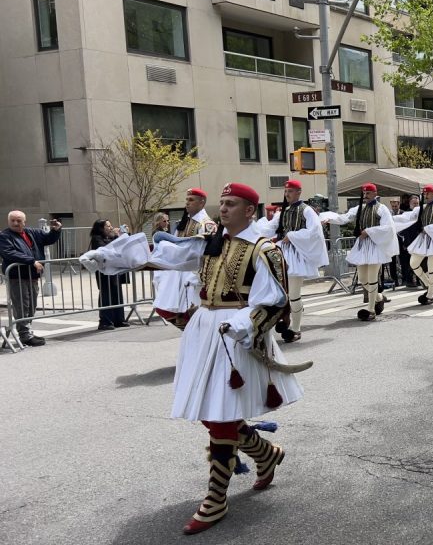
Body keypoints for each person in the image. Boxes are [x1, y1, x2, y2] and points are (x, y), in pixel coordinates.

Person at [79, 183, 309, 535]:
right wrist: (110, 256)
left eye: (231, 204)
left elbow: (274, 301)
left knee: (219, 415)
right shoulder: (210, 242)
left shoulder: (265, 250)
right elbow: (163, 256)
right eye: (222, 203)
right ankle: (264, 453)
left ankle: (217, 496)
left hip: (235, 336)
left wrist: (244, 324)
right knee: (212, 411)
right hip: (204, 330)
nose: (224, 208)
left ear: (250, 210)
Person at [256, 180, 328, 343]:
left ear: (299, 192)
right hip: (282, 254)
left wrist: (293, 236)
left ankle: (296, 328)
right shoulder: (283, 211)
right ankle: (286, 320)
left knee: (294, 294)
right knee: (282, 294)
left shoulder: (307, 210)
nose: (287, 194)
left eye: (290, 191)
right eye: (286, 191)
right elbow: (269, 228)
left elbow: (315, 231)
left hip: (296, 256)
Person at [320, 183, 399, 321]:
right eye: (364, 193)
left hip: (375, 246)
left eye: (368, 193)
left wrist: (368, 232)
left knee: (372, 277)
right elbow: (345, 218)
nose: (365, 196)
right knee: (363, 279)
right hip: (363, 246)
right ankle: (379, 297)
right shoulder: (359, 208)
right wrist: (329, 219)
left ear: (375, 194)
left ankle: (371, 309)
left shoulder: (382, 209)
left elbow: (388, 228)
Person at [153, 188, 217, 330]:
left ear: (202, 202)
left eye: (191, 200)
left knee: (197, 317)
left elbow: (209, 254)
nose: (187, 203)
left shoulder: (206, 224)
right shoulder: (185, 223)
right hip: (180, 275)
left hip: (196, 277)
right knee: (169, 310)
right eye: (186, 200)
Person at [0, 211, 62, 347]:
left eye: (18, 220)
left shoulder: (32, 232)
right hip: (17, 276)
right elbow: (10, 253)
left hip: (32, 276)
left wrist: (56, 230)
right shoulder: (4, 236)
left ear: (24, 221)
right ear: (8, 221)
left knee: (31, 305)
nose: (15, 223)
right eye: (12, 221)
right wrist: (32, 261)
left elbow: (48, 239)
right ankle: (24, 335)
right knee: (22, 305)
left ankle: (28, 331)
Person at [393, 185, 433, 305]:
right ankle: (427, 284)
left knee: (431, 268)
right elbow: (407, 217)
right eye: (424, 193)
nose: (425, 195)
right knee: (413, 263)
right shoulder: (422, 207)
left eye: (428, 193)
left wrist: (429, 229)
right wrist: (391, 219)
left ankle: (430, 293)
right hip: (423, 240)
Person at [89, 220, 130, 330]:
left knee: (117, 293)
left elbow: (121, 246)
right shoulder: (96, 238)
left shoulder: (110, 237)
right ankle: (105, 321)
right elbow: (105, 249)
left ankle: (119, 319)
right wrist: (117, 236)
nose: (111, 227)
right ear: (101, 228)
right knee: (106, 294)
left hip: (114, 270)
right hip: (104, 272)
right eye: (108, 226)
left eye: (111, 225)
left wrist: (123, 234)